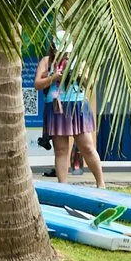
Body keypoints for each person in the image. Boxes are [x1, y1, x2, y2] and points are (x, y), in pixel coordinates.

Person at [35, 40, 103, 186]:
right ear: (54, 49)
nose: (65, 54)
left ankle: (101, 183)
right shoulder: (46, 61)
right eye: (61, 51)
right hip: (56, 106)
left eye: (67, 52)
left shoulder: (79, 59)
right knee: (61, 150)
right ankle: (63, 187)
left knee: (87, 147)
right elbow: (37, 84)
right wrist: (53, 77)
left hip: (77, 105)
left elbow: (89, 83)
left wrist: (78, 75)